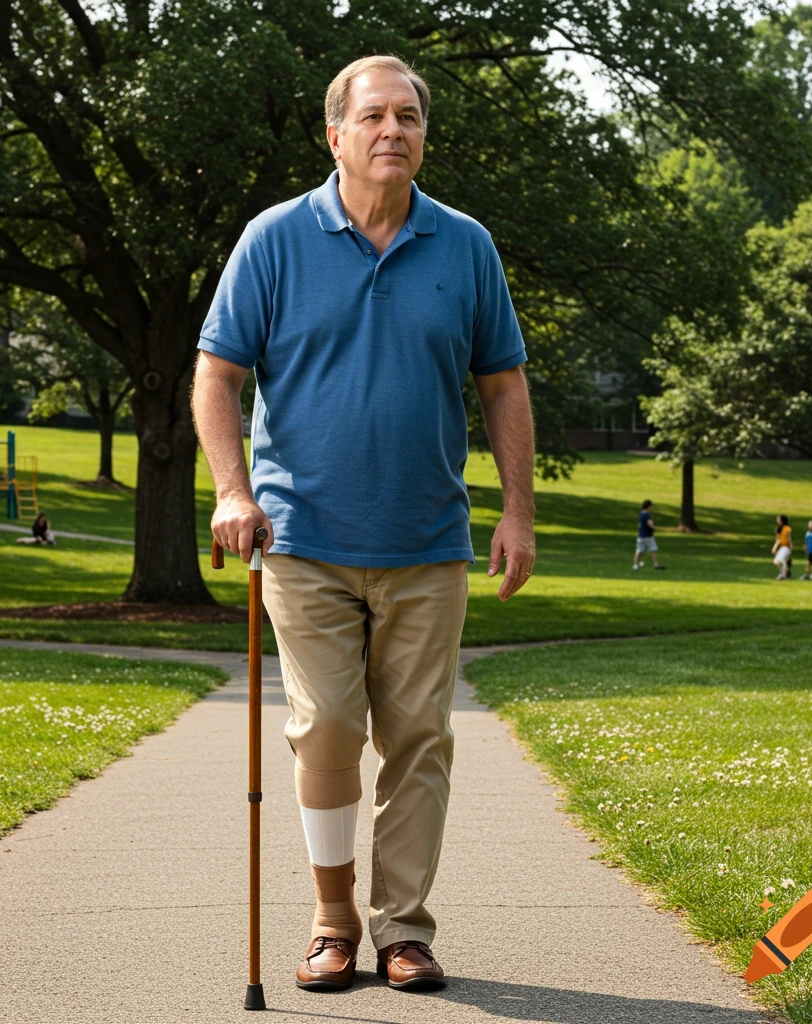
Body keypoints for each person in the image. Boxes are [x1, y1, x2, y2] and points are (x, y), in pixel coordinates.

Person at [192, 55, 535, 995]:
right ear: (335, 134)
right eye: (375, 115)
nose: (395, 130)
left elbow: (501, 381)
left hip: (427, 541)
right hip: (301, 538)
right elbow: (218, 373)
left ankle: (403, 929)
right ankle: (334, 917)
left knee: (421, 735)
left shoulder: (466, 246)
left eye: (411, 116)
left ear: (425, 135)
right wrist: (231, 488)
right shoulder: (273, 241)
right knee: (332, 725)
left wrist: (517, 511)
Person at [632, 499, 666, 570]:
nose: (651, 508)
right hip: (648, 536)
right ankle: (656, 564)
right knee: (652, 550)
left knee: (639, 550)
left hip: (641, 536)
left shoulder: (641, 514)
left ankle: (635, 565)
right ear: (648, 506)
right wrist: (655, 529)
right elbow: (650, 524)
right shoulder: (647, 515)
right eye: (651, 506)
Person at [772, 514, 793, 580]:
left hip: (786, 547)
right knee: (775, 561)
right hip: (781, 547)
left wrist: (791, 547)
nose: (777, 521)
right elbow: (778, 540)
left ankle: (783, 574)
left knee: (781, 560)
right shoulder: (778, 529)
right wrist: (775, 547)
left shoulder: (787, 528)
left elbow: (789, 538)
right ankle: (785, 572)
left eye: (779, 520)